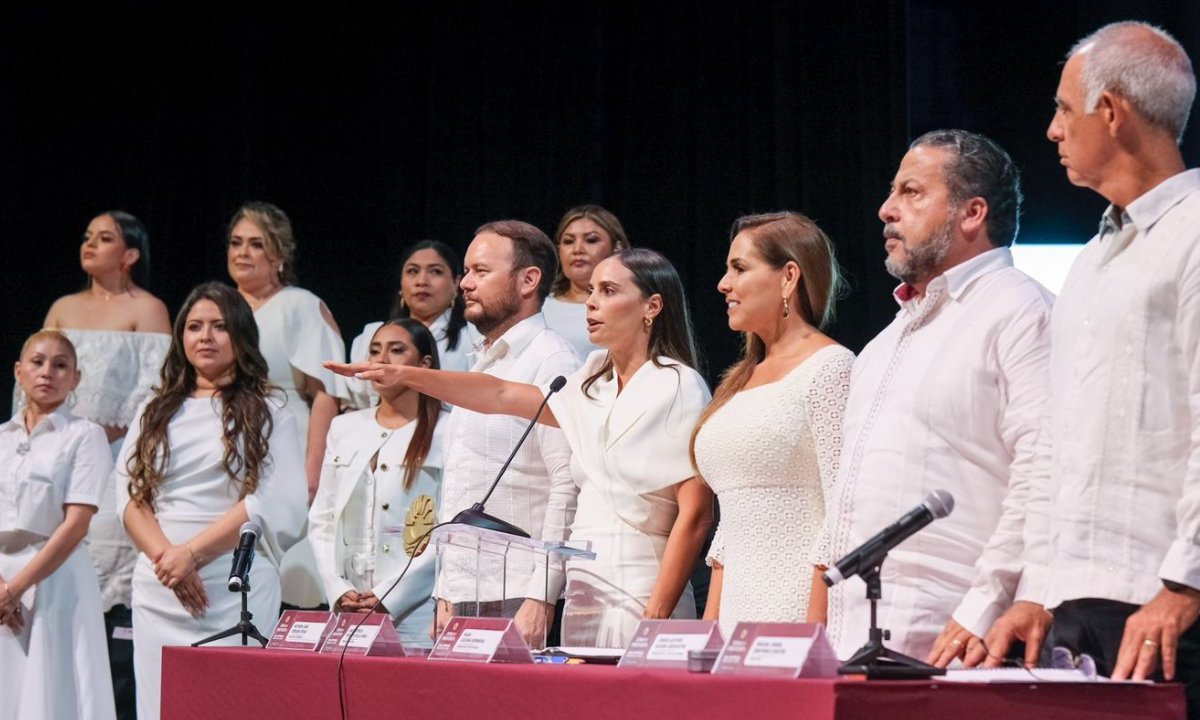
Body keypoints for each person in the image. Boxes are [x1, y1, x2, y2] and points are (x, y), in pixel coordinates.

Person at [329, 246, 713, 648]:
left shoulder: (676, 384)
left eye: (609, 290)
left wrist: (656, 616)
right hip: (584, 593)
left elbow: (695, 515)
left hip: (642, 588)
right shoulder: (593, 377)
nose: (592, 302)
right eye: (593, 290)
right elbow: (499, 394)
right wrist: (404, 374)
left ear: (652, 306)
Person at [985, 23, 1200, 712]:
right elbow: (1061, 437)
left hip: (1164, 604)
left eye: (1062, 108)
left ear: (1111, 112)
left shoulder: (1195, 231)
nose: (1051, 129)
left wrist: (1186, 585)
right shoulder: (1090, 261)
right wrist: (1038, 587)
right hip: (1079, 606)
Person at [817, 129, 1053, 666]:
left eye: (911, 192)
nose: (886, 210)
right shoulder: (882, 344)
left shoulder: (1022, 312)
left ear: (972, 213)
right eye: (892, 192)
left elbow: (1044, 471)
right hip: (859, 643)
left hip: (963, 644)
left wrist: (984, 605)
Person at [330, 220, 581, 649]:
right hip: (462, 593)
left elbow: (566, 486)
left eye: (481, 272)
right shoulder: (483, 362)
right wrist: (446, 589)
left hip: (516, 591)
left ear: (528, 280)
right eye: (465, 271)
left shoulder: (552, 359)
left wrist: (542, 594)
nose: (465, 283)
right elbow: (462, 489)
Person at [116, 283, 306, 720]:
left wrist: (192, 556)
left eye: (220, 326)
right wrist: (169, 561)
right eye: (195, 326)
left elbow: (272, 498)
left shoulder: (268, 410)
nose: (206, 336)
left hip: (232, 584)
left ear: (241, 336)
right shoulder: (153, 410)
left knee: (231, 703)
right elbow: (129, 496)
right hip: (160, 586)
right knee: (160, 703)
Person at [33, 210, 171, 719]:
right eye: (87, 236)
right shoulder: (63, 306)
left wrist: (95, 434)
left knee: (109, 581)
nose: (90, 245)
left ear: (130, 254)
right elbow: (36, 374)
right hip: (57, 453)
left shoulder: (148, 309)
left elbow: (154, 390)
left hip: (115, 457)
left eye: (104, 238)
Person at [691, 212, 853, 639]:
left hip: (796, 607)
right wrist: (710, 630)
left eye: (739, 268)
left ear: (789, 278)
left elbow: (842, 512)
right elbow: (730, 529)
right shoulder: (741, 378)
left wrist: (813, 633)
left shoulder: (831, 369)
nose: (723, 284)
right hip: (733, 615)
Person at [225, 201, 348, 608]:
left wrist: (312, 468)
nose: (242, 253)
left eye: (256, 244)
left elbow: (327, 392)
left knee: (282, 569)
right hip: (225, 444)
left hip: (283, 444)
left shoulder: (298, 305)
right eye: (236, 243)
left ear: (278, 255)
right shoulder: (218, 310)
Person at [309, 319, 448, 644]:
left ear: (424, 364)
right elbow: (323, 518)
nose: (381, 360)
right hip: (350, 609)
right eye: (374, 351)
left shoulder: (447, 430)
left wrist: (392, 594)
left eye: (397, 350)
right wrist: (336, 588)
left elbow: (450, 527)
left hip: (417, 611)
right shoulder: (344, 428)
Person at [0, 331, 115, 720]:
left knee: (55, 688)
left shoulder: (84, 436)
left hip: (54, 577)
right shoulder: (0, 438)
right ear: (18, 371)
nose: (47, 372)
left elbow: (76, 524)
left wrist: (15, 589)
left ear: (76, 378)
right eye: (37, 362)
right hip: (1, 578)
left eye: (61, 365)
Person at [345, 240, 479, 408]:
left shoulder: (472, 337)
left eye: (435, 272)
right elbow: (361, 403)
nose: (422, 281)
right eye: (412, 271)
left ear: (455, 283)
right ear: (401, 284)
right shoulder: (371, 335)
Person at [542, 205, 630, 358]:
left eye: (591, 240)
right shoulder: (538, 304)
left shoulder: (627, 304)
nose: (577, 249)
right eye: (569, 241)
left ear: (617, 248)